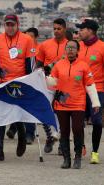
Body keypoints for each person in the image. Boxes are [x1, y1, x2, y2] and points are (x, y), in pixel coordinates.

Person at [0, 14, 35, 161]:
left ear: (17, 25)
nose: (10, 27)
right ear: (4, 25)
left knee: (16, 113)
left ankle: (21, 135)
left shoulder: (27, 40)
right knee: (0, 116)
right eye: (7, 24)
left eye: (12, 24)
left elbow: (30, 64)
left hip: (20, 83)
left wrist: (29, 83)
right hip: (2, 83)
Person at [49, 39, 100, 169]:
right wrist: (45, 76)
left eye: (73, 48)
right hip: (62, 104)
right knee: (64, 131)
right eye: (68, 47)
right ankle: (67, 159)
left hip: (78, 103)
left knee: (77, 129)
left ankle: (77, 157)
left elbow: (90, 84)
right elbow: (52, 83)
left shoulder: (83, 66)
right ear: (65, 50)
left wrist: (95, 102)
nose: (70, 50)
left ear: (77, 50)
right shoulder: (59, 65)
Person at [36, 18, 69, 154]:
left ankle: (62, 142)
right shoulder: (44, 45)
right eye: (54, 28)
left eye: (59, 29)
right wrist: (40, 73)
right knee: (45, 109)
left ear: (65, 29)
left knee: (63, 113)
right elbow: (38, 64)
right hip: (48, 83)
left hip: (65, 84)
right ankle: (51, 136)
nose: (56, 31)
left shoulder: (70, 45)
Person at [76, 19, 104, 164]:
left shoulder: (102, 47)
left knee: (98, 122)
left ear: (91, 31)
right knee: (78, 122)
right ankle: (81, 146)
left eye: (82, 29)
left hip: (97, 91)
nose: (79, 31)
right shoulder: (77, 47)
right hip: (79, 90)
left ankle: (95, 152)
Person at [6, 27, 40, 144]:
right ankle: (14, 128)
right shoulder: (19, 47)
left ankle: (29, 134)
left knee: (28, 108)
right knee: (16, 106)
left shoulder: (39, 49)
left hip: (31, 81)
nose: (27, 38)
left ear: (36, 38)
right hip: (17, 81)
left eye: (30, 36)